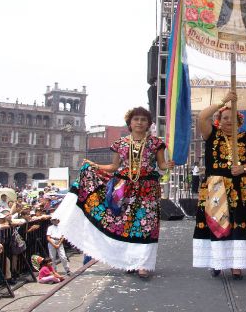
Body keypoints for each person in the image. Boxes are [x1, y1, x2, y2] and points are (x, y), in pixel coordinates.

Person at [54, 107, 174, 279]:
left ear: (148, 124)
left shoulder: (156, 143)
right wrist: (94, 166)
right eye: (136, 119)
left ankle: (143, 265)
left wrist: (167, 166)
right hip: (125, 189)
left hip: (148, 188)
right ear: (130, 123)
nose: (139, 122)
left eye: (143, 120)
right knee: (127, 225)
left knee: (147, 225)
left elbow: (161, 165)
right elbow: (114, 167)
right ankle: (129, 262)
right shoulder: (120, 144)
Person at [193, 91, 246, 280]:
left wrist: (243, 168)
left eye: (233, 118)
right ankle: (217, 262)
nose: (229, 121)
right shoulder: (211, 134)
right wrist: (223, 101)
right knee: (216, 224)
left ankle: (237, 264)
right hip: (217, 187)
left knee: (239, 226)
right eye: (225, 118)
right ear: (219, 120)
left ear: (239, 121)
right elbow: (202, 116)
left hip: (242, 189)